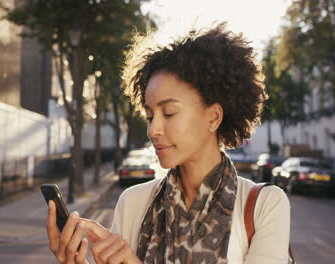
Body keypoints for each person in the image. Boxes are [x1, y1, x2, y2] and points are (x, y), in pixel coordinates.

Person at [46, 23, 290, 264]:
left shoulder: (264, 205)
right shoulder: (133, 202)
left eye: (169, 113)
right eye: (150, 116)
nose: (154, 130)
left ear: (213, 117)